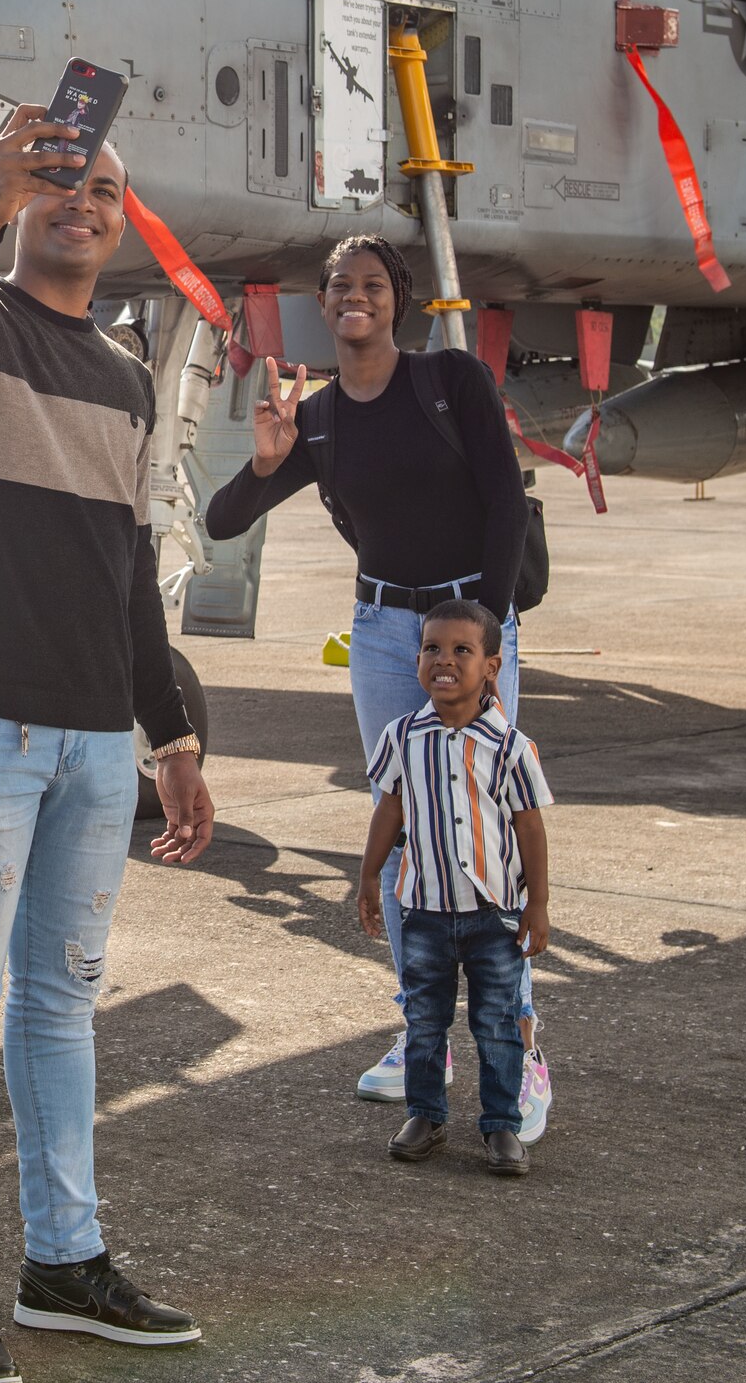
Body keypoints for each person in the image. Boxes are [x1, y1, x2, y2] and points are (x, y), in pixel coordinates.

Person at [0, 104, 214, 1381]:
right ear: (24, 196)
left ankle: (61, 1262)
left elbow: (128, 570)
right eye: (61, 181)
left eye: (105, 188)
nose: (83, 200)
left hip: (92, 743)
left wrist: (170, 731)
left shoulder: (130, 378)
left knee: (63, 1004)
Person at [202, 237, 554, 1138]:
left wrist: (488, 632)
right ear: (323, 303)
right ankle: (421, 1033)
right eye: (339, 288)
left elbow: (506, 502)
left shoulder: (451, 381)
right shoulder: (319, 419)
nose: (355, 299)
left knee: (487, 832)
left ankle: (520, 1035)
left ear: (396, 301)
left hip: (468, 629)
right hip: (384, 635)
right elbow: (223, 518)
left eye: (372, 286)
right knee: (402, 835)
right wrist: (270, 459)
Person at [358, 600, 552, 1176]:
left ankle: (501, 1126)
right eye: (432, 649)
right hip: (425, 910)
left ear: (492, 665)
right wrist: (368, 875)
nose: (444, 661)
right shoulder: (401, 737)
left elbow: (530, 826)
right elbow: (388, 809)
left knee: (495, 1022)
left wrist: (537, 904)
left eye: (461, 651)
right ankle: (425, 1115)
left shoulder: (511, 747)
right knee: (424, 1018)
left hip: (493, 915)